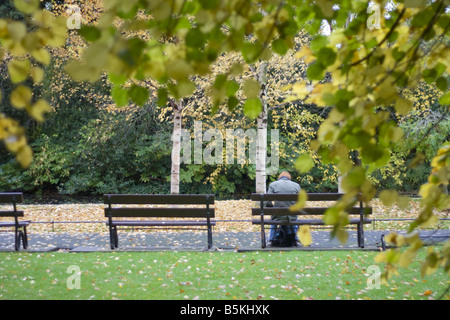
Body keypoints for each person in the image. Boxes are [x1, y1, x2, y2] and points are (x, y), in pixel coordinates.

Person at [265, 171, 301, 247]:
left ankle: (270, 240)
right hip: (291, 215)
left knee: (274, 220)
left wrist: (272, 209)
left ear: (279, 177)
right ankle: (296, 240)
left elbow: (267, 201)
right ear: (289, 178)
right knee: (293, 217)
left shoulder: (273, 185)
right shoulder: (296, 185)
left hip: (278, 214)